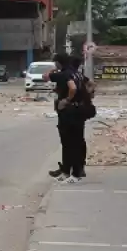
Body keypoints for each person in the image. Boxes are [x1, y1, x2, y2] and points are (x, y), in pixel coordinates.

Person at [45, 53, 85, 183]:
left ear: (58, 63)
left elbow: (72, 88)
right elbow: (89, 86)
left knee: (68, 143)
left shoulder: (65, 74)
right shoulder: (78, 74)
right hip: (79, 110)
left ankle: (71, 172)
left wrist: (67, 100)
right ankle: (73, 170)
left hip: (68, 112)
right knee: (77, 142)